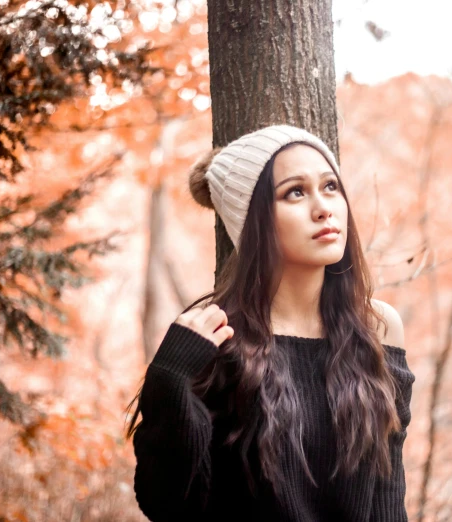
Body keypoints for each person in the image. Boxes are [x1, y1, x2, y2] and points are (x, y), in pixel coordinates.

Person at [125, 124, 415, 521]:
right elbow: (169, 503)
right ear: (252, 220)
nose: (323, 207)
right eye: (295, 192)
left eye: (331, 187)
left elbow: (388, 488)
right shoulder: (215, 336)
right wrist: (170, 377)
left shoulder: (378, 327)